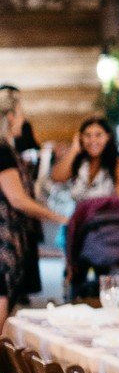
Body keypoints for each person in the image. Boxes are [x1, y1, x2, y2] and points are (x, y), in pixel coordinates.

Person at [0, 88, 66, 328]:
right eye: (20, 114)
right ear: (9, 117)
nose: (23, 120)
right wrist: (57, 217)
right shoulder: (2, 151)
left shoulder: (8, 149)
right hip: (3, 242)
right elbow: (17, 199)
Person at [50, 115, 119, 203]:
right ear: (80, 138)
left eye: (98, 135)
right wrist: (74, 149)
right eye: (87, 135)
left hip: (106, 215)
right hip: (77, 214)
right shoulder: (79, 163)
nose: (93, 140)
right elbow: (57, 178)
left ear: (108, 137)